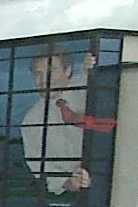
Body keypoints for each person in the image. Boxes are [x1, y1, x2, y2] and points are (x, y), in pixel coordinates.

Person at [19, 49, 114, 194]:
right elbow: (40, 166)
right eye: (37, 74)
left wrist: (93, 63)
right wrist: (69, 182)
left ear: (68, 70)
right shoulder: (31, 121)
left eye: (51, 71)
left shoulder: (90, 85)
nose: (43, 79)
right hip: (85, 195)